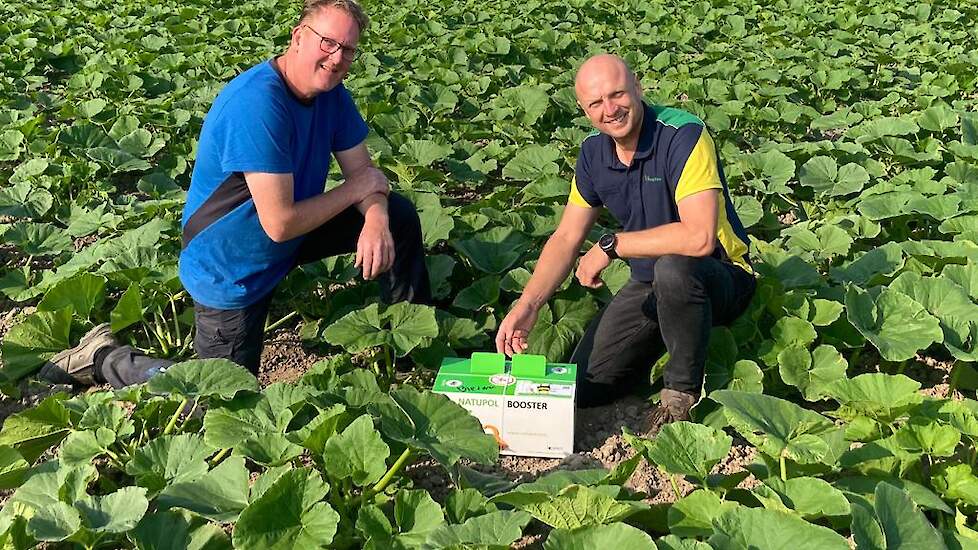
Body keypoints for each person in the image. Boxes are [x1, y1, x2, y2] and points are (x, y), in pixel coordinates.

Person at [40, 0, 430, 388]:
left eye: (348, 49)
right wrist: (357, 190)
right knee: (218, 396)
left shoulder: (332, 94)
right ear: (298, 37)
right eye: (328, 42)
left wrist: (376, 219)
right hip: (232, 266)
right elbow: (280, 223)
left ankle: (411, 351)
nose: (337, 57)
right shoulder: (257, 105)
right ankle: (105, 359)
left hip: (288, 236)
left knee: (396, 215)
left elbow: (364, 173)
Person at [495, 54, 756, 434]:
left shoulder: (682, 134)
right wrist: (528, 304)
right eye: (596, 103)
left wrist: (610, 245)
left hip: (719, 276)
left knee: (674, 268)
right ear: (584, 110)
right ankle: (656, 352)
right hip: (649, 283)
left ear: (637, 86)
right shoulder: (593, 154)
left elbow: (698, 237)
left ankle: (678, 399)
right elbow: (567, 236)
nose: (610, 110)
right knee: (588, 385)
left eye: (617, 94)